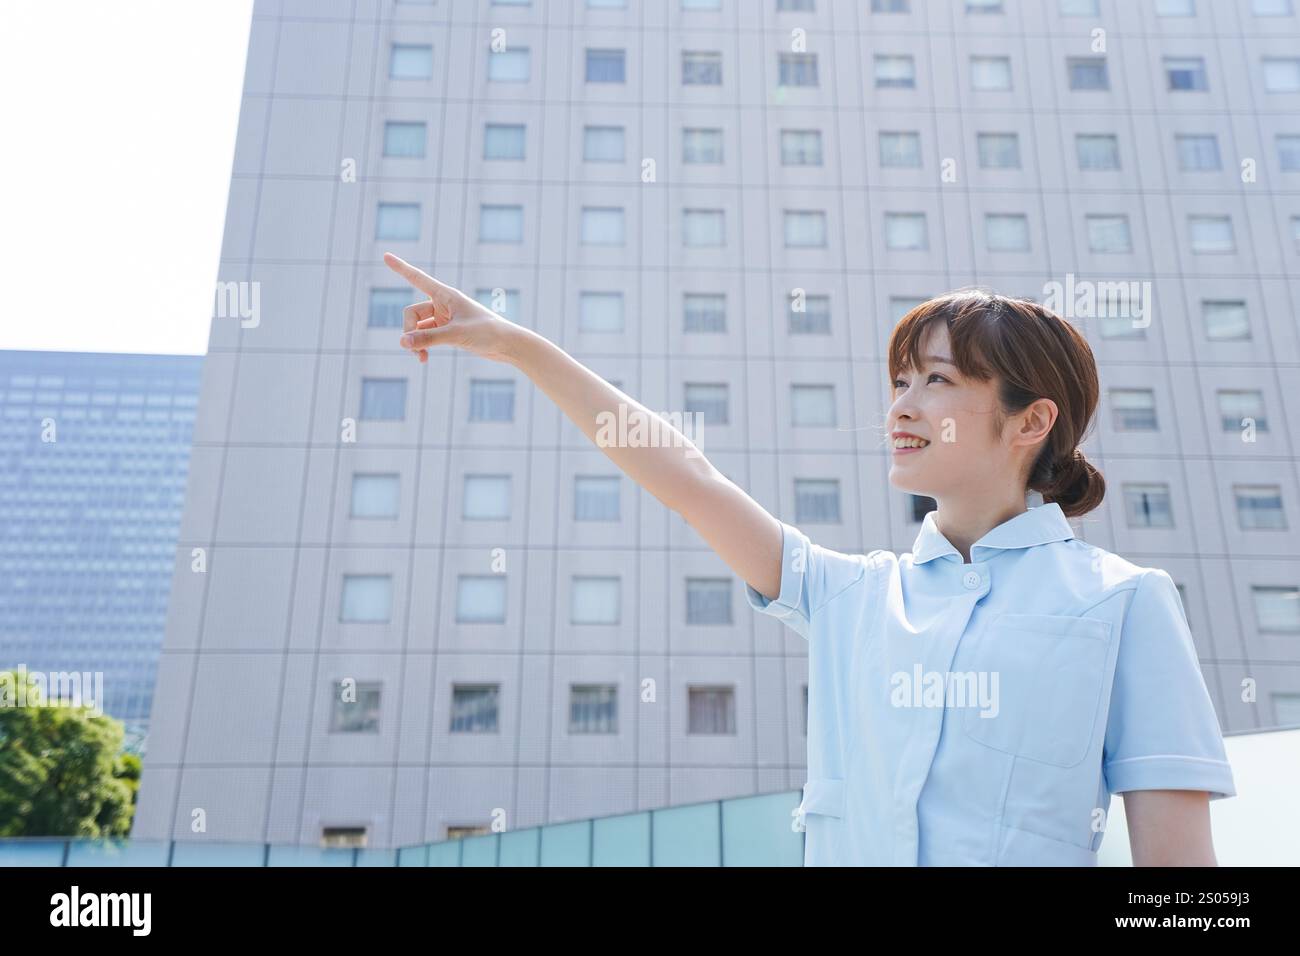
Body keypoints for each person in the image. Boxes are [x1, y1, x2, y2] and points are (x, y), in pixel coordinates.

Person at [384, 253, 1235, 866]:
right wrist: (517, 347)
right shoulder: (852, 595)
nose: (900, 404)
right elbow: (686, 475)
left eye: (935, 382)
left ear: (1030, 421)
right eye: (900, 380)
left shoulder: (1124, 605)